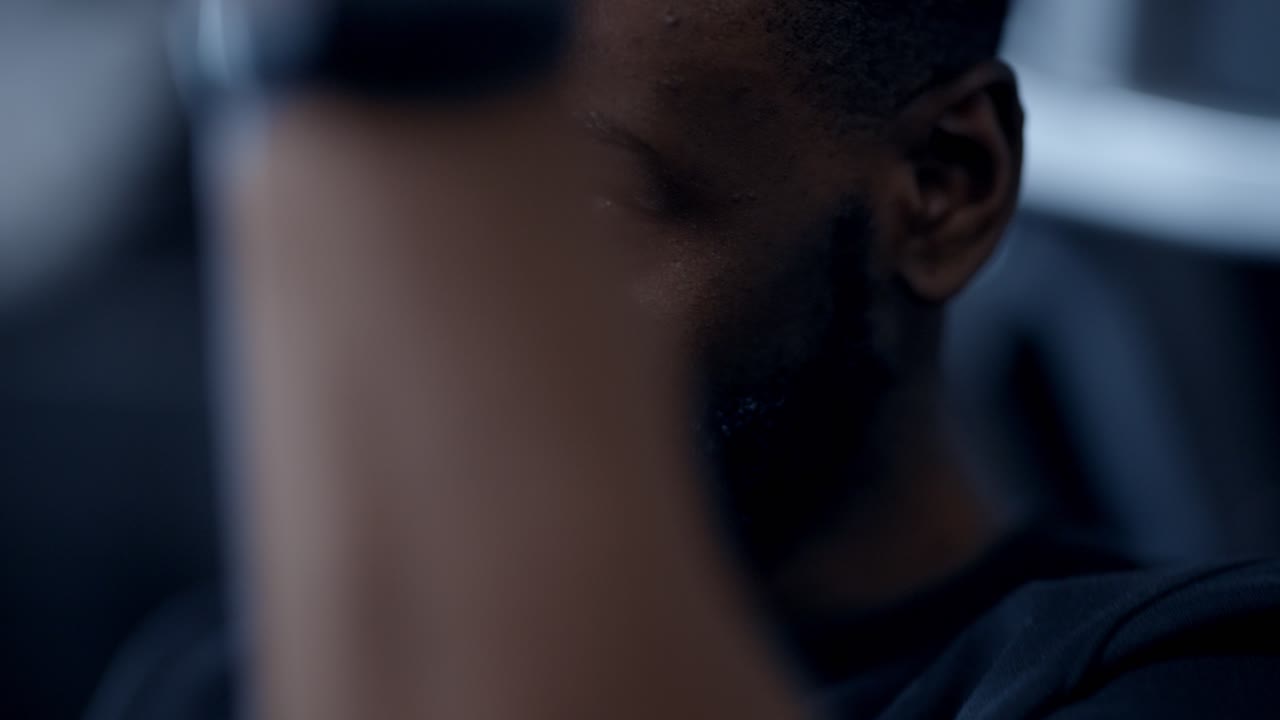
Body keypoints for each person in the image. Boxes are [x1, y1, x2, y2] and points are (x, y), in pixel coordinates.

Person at [95, 1, 1280, 718]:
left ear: (941, 187)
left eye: (582, 209)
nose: (472, 318)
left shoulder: (1186, 686)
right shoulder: (213, 680)